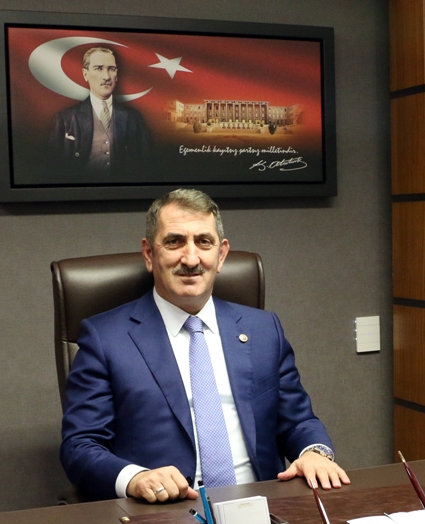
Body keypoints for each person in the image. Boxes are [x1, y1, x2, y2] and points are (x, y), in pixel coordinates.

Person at [60, 188, 350, 502]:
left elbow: (298, 421)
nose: (191, 258)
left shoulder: (264, 330)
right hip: (165, 510)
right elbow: (80, 446)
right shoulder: (105, 338)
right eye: (174, 241)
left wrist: (314, 453)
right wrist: (136, 478)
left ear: (221, 255)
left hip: (262, 508)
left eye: (203, 241)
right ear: (149, 254)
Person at [48, 47, 151, 182]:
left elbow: (144, 167)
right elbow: (53, 168)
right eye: (98, 68)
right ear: (85, 74)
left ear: (117, 75)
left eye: (111, 69)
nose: (106, 76)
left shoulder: (134, 119)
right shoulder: (65, 119)